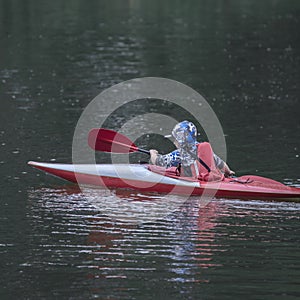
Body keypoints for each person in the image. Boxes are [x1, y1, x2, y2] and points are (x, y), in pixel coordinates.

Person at [149, 120, 235, 181]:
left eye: (176, 139)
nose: (174, 142)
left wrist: (153, 153)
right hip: (210, 179)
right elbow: (221, 164)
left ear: (181, 141)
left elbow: (158, 162)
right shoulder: (203, 149)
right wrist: (228, 172)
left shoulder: (179, 154)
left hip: (196, 183)